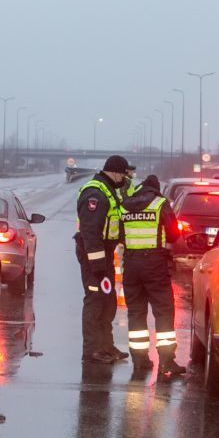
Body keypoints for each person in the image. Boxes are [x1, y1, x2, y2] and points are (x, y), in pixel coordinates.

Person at [120, 174, 184, 377]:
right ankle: (166, 361)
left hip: (131, 264)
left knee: (136, 313)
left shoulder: (125, 205)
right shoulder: (160, 203)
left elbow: (120, 234)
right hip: (155, 264)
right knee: (163, 311)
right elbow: (174, 234)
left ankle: (139, 361)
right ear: (156, 189)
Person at [75, 155, 130, 364]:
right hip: (93, 256)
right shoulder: (95, 193)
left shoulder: (108, 190)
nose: (124, 178)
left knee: (108, 301)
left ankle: (106, 346)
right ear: (115, 172)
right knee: (95, 301)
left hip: (104, 255)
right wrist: (97, 265)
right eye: (123, 174)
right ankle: (91, 350)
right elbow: (90, 233)